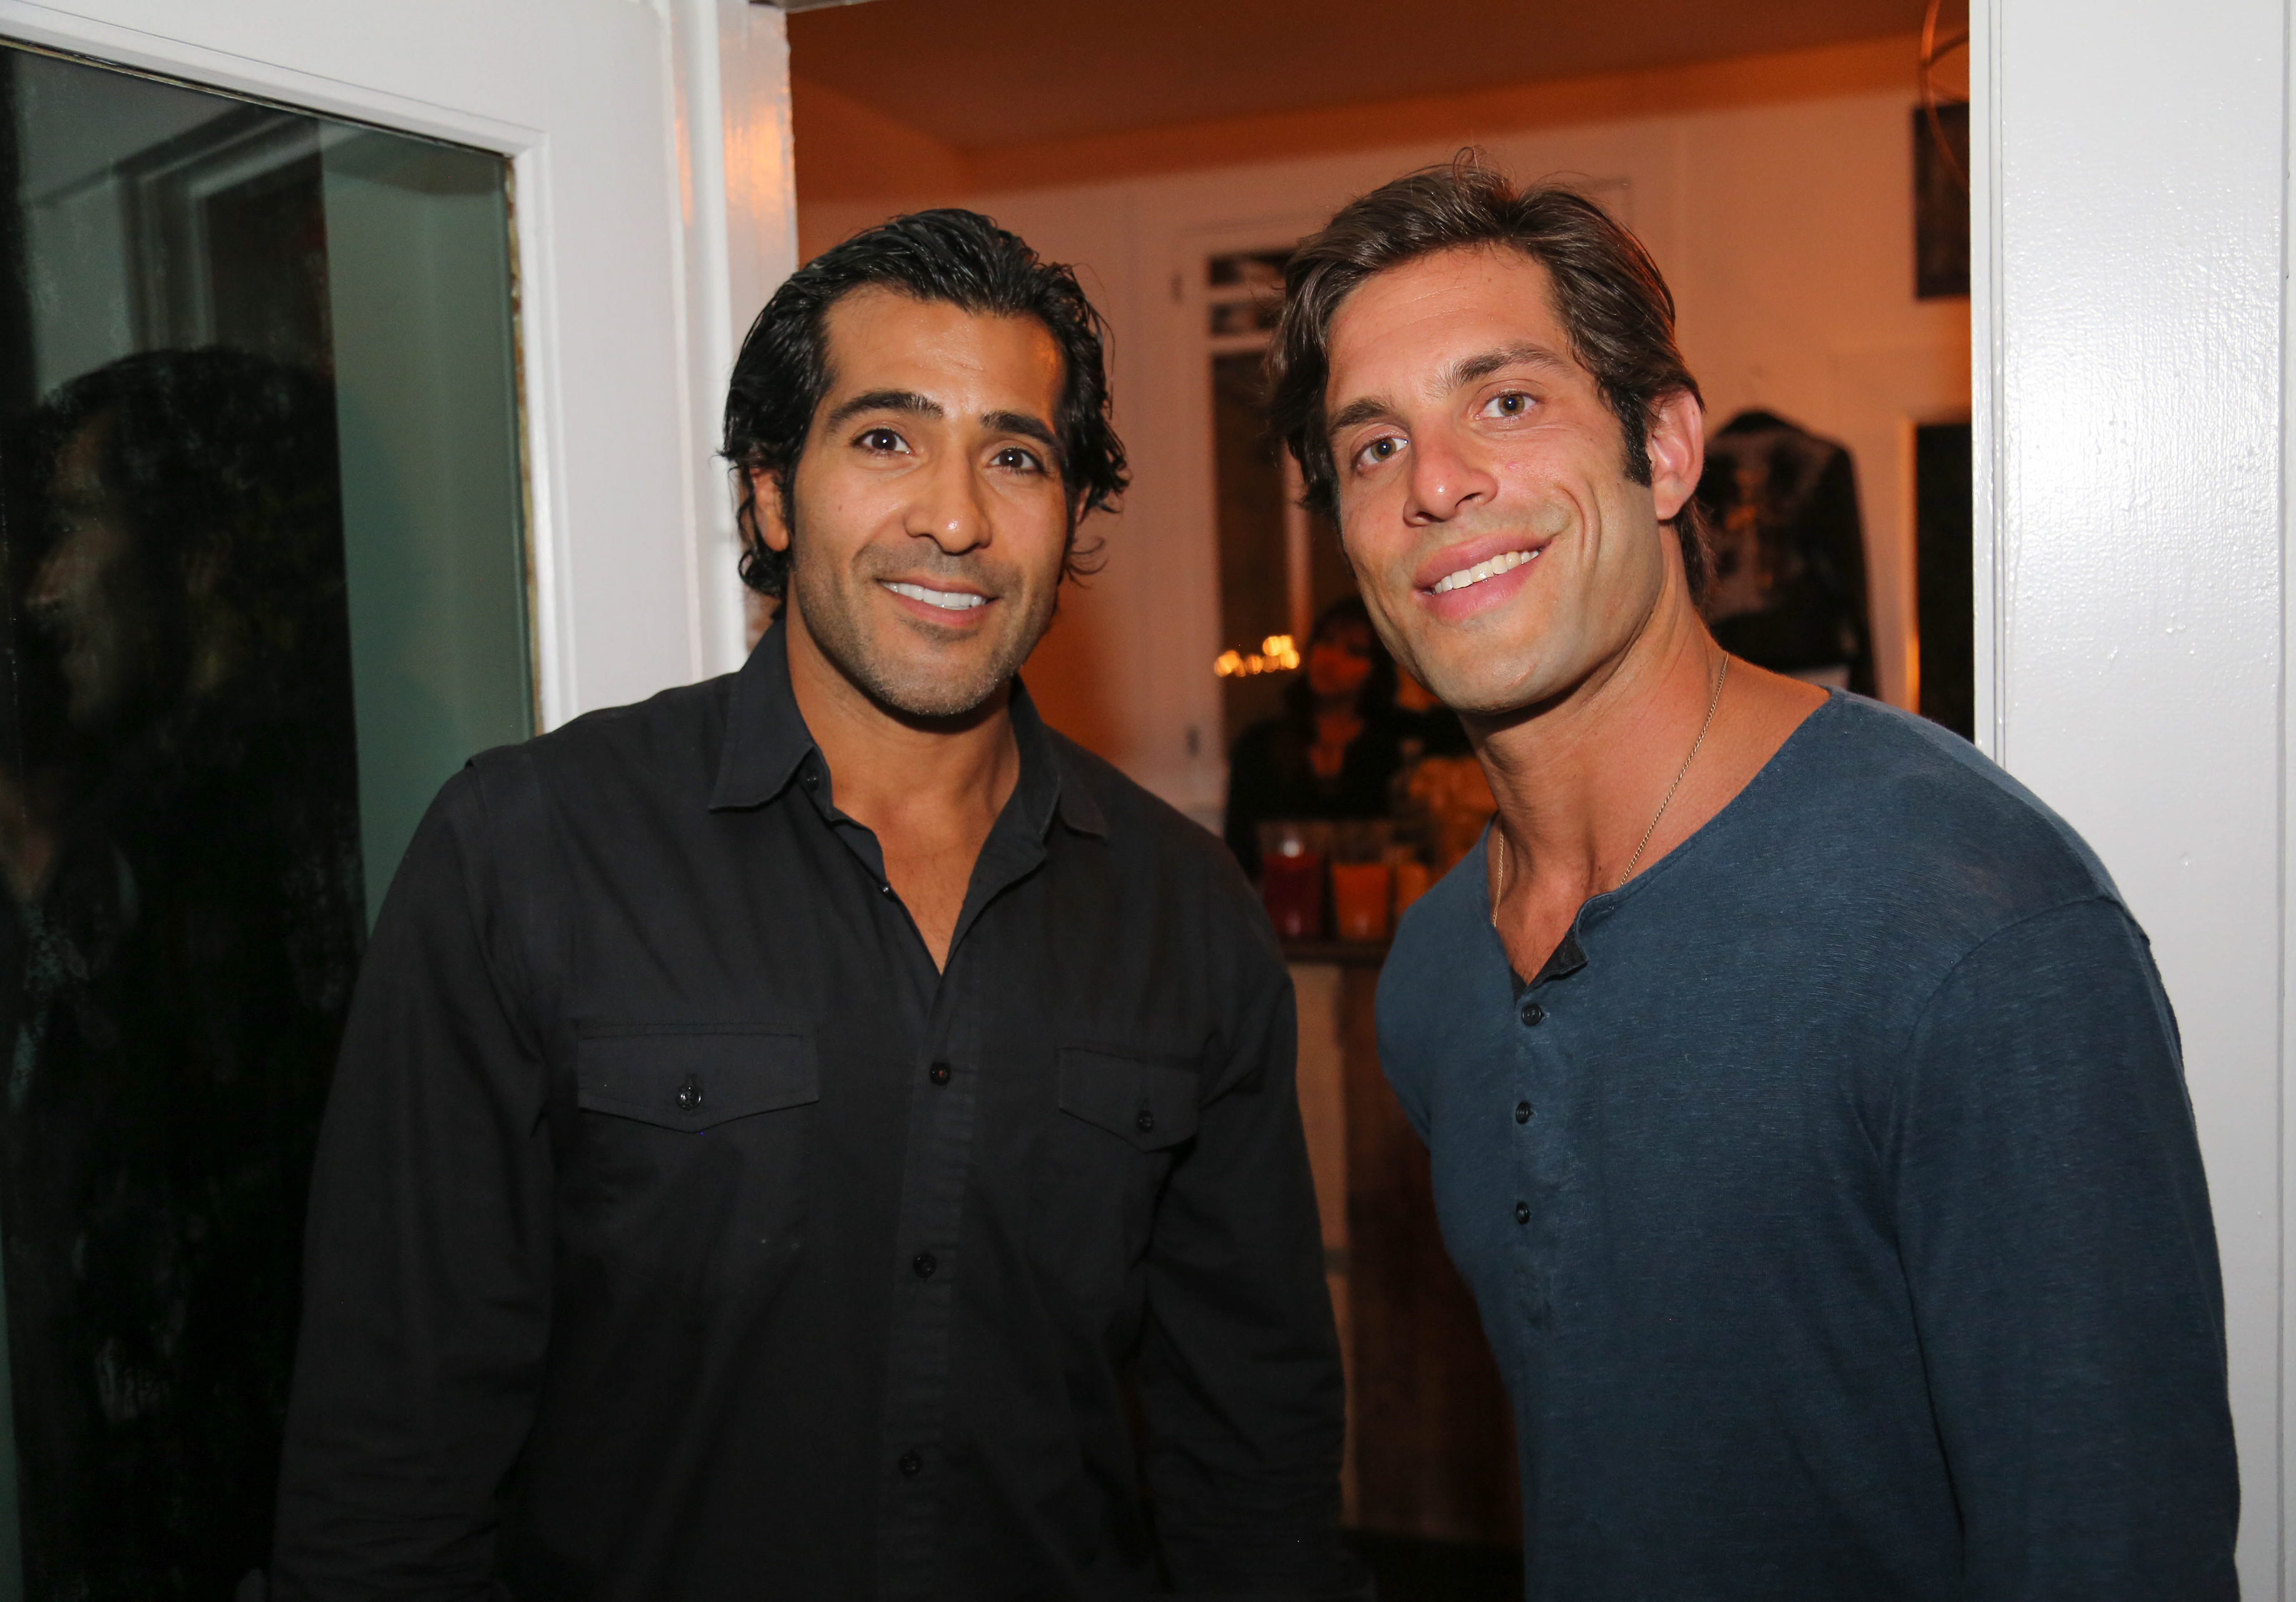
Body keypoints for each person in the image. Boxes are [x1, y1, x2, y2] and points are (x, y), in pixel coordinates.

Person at [274, 211, 1361, 1600]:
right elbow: (387, 1461)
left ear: (1072, 514)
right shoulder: (527, 852)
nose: (956, 518)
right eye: (887, 437)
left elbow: (1254, 1459)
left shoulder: (1187, 913)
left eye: (1016, 457)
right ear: (774, 495)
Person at [1267, 158, 2238, 1599]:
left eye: (1507, 402)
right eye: (1371, 446)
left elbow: (2115, 1551)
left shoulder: (1972, 918)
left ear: (1664, 449)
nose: (1437, 483)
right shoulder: (1432, 974)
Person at [0, 349, 363, 1599]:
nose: (44, 585)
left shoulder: (224, 815)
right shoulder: (229, 788)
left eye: (74, 527)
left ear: (201, 549)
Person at [1221, 594, 1407, 878]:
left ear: (1377, 669)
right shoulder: (1260, 745)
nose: (1331, 660)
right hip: (1281, 899)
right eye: (1326, 641)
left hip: (1371, 898)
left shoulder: (1395, 745)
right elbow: (1239, 852)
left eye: (1354, 652)